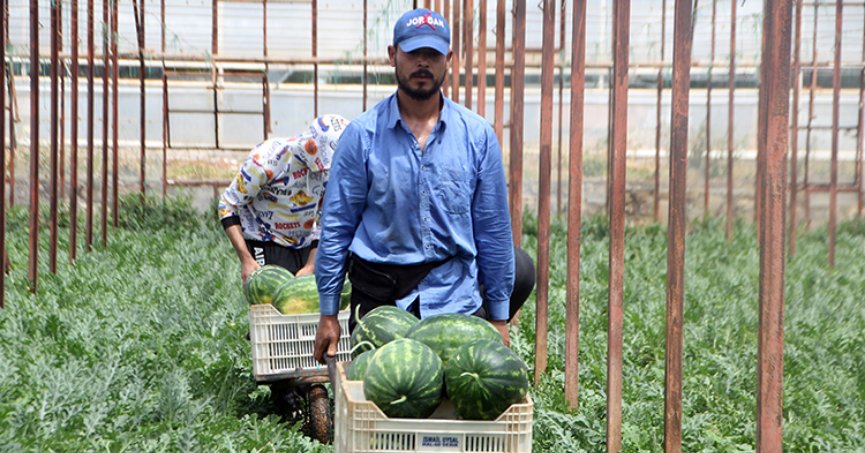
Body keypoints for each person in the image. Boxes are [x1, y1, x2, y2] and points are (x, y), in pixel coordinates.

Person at [313, 8, 534, 364]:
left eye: (432, 54)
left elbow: (492, 231)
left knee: (457, 393)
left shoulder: (477, 136)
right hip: (379, 305)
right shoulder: (362, 136)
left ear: (449, 59)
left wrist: (497, 318)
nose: (422, 63)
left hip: (455, 302)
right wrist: (328, 312)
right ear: (392, 55)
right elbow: (337, 227)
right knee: (386, 392)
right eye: (413, 53)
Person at [218, 114, 350, 281]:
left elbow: (326, 219)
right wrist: (246, 259)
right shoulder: (265, 161)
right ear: (312, 148)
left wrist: (311, 265)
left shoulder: (329, 172)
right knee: (269, 295)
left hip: (305, 240)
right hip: (264, 238)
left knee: (304, 296)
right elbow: (227, 206)